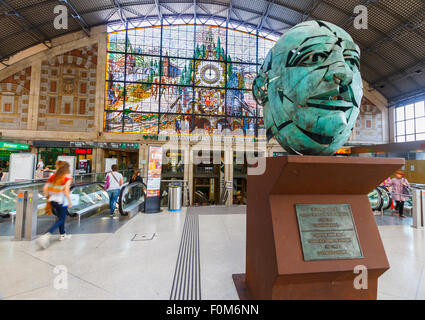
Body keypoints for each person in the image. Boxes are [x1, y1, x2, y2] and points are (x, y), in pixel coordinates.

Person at [36, 162, 73, 249]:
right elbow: (66, 190)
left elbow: (45, 188)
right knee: (62, 219)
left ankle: (62, 235)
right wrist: (69, 201)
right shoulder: (68, 177)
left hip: (52, 200)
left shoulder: (53, 176)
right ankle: (46, 235)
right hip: (61, 201)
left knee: (61, 217)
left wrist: (48, 197)